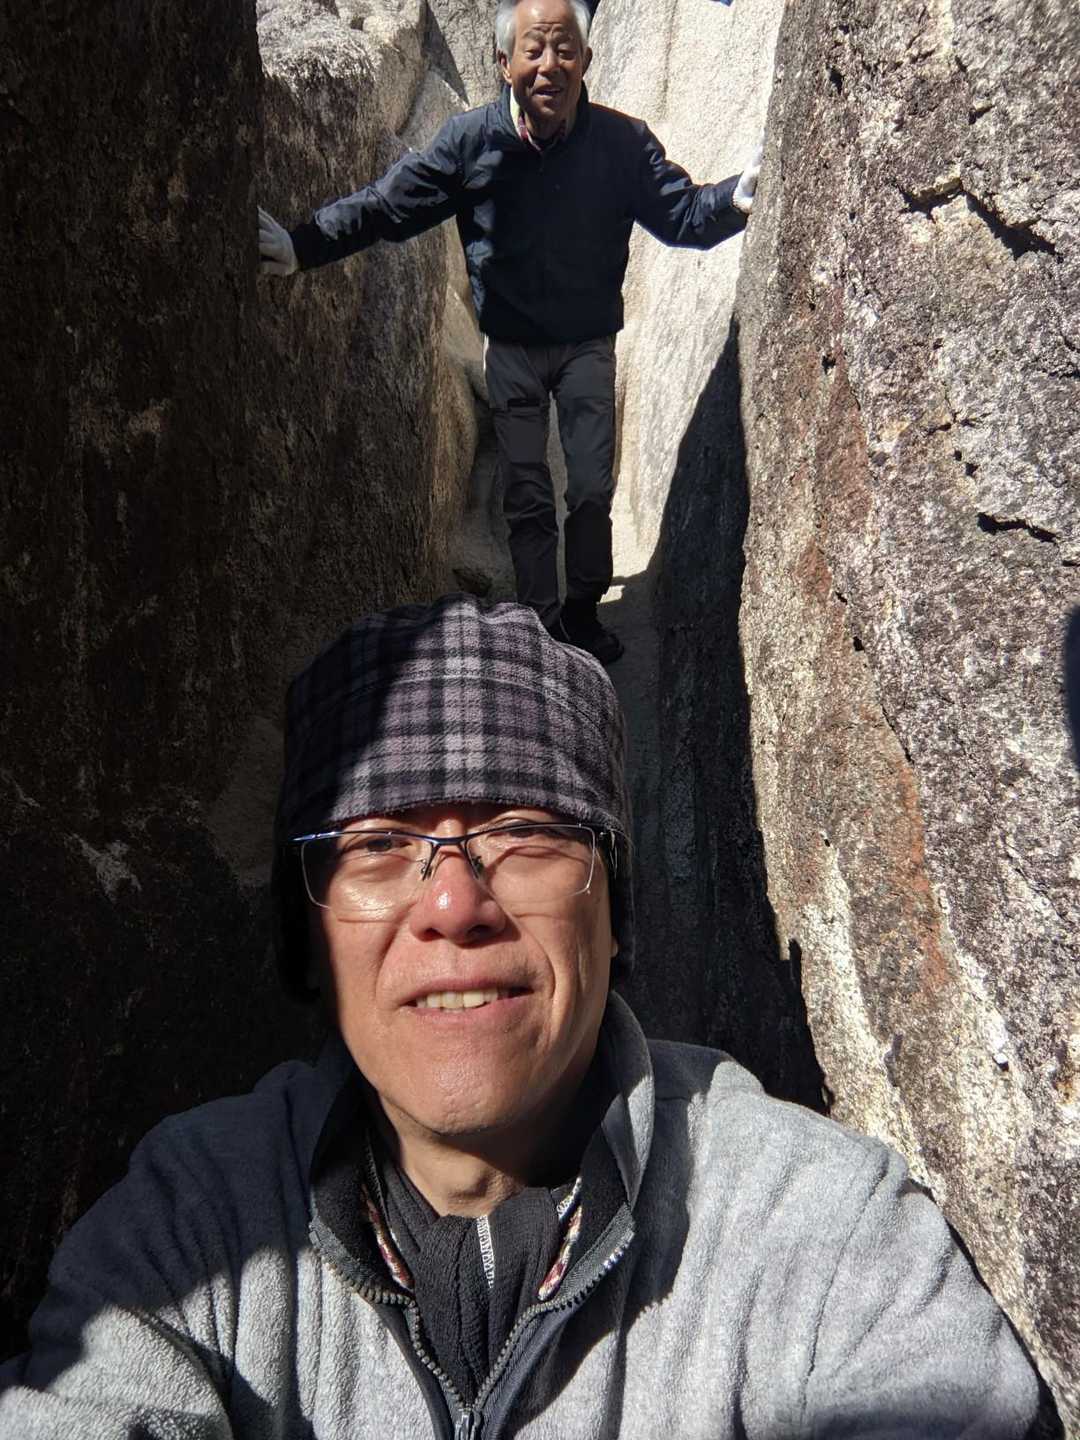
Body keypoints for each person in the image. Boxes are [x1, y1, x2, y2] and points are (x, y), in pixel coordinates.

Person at [0, 594, 1040, 1437]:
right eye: (378, 845)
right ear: (307, 935)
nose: (454, 904)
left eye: (524, 832)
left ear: (613, 910)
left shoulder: (819, 1233)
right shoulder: (188, 1229)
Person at [258, 0, 763, 666]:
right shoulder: (471, 142)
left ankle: (582, 612)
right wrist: (302, 247)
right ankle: (540, 625)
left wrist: (735, 198)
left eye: (565, 49)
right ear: (503, 63)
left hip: (586, 343)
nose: (550, 65)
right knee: (527, 494)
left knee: (590, 489)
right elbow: (387, 207)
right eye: (534, 49)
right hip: (512, 348)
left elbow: (683, 214)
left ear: (587, 59)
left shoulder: (621, 143)